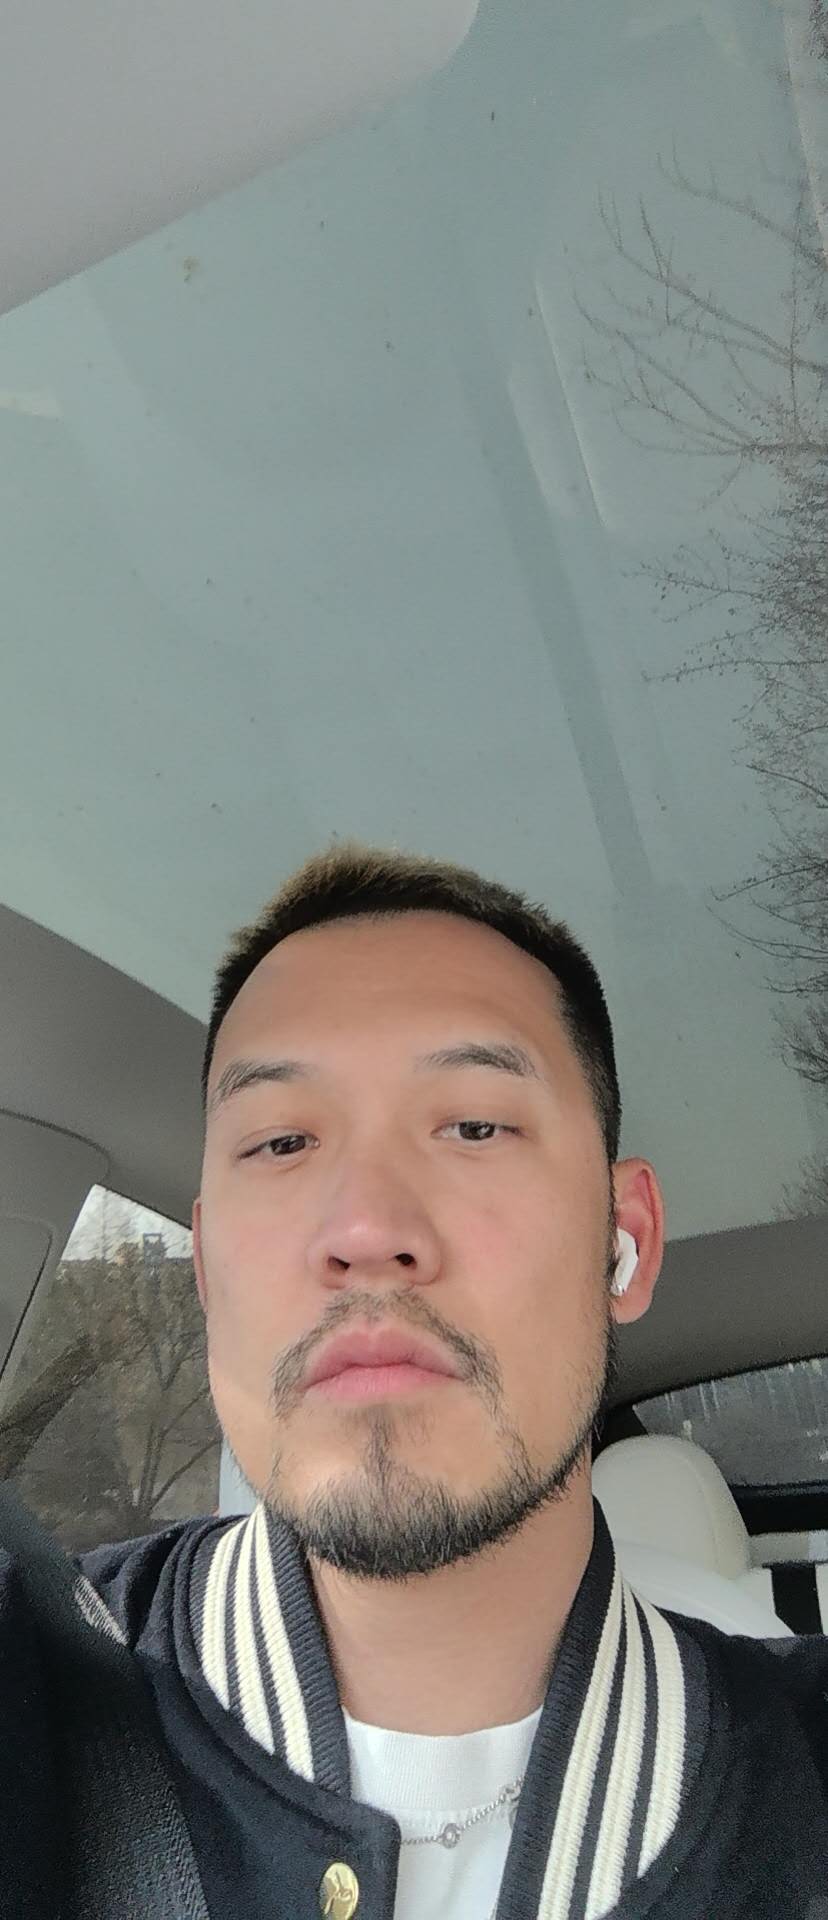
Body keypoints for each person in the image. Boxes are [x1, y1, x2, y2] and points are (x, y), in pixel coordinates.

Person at [6, 841, 828, 1920]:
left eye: (475, 1126)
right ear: (206, 1271)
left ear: (624, 1239)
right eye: (281, 1141)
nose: (365, 1230)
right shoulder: (41, 1688)